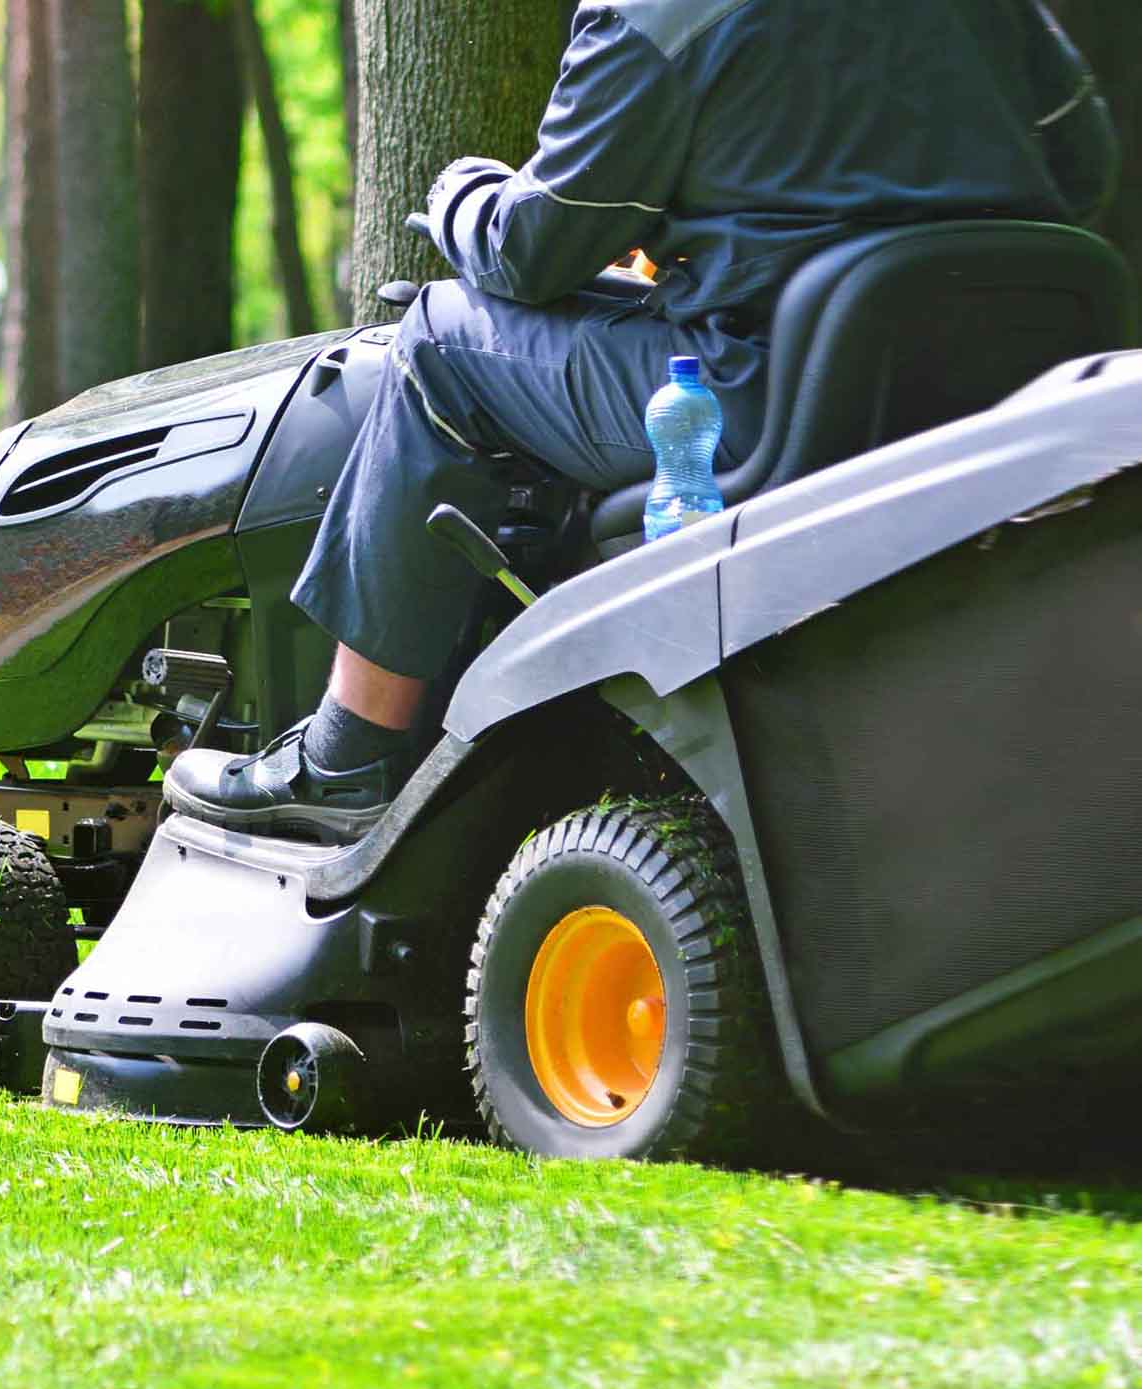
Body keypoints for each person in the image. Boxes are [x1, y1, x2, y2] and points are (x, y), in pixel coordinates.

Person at [167, 0, 1119, 843]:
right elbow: (1084, 167)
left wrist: (461, 194)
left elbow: (534, 248)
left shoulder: (655, 14)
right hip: (999, 406)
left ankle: (349, 753)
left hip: (775, 402)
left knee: (437, 343)